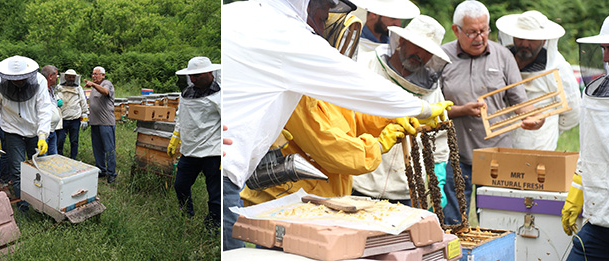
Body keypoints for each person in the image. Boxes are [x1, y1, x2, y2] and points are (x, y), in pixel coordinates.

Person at [221, 0, 452, 250]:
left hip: (320, 199)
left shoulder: (280, 42)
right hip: (288, 200)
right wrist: (387, 137)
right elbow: (331, 147)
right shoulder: (292, 59)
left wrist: (391, 119)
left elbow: (352, 114)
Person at [439, 0, 545, 226]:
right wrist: (461, 111)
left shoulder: (503, 56)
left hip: (496, 154)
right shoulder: (441, 57)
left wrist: (536, 118)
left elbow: (520, 102)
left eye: (483, 31)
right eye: (471, 32)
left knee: (497, 222)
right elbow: (431, 109)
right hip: (454, 154)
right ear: (456, 30)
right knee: (453, 223)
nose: (479, 38)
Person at [351, 15, 452, 208]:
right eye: (417, 47)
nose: (420, 55)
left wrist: (437, 174)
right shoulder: (366, 66)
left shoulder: (432, 90)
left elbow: (440, 137)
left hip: (407, 190)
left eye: (427, 52)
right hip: (360, 181)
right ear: (402, 41)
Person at [563, 13, 609, 261]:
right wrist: (576, 192)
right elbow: (591, 151)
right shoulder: (597, 93)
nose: (606, 57)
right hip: (600, 223)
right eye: (604, 48)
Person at [496, 10, 581, 151]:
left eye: (531, 40)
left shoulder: (557, 67)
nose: (524, 44)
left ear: (544, 40)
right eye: (520, 38)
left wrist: (549, 126)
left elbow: (573, 110)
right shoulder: (501, 59)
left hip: (538, 147)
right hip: (500, 143)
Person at [0, 55, 51, 211]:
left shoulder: (40, 81)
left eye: (21, 79)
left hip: (35, 132)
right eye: (14, 79)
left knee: (38, 169)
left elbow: (44, 109)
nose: (18, 82)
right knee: (17, 170)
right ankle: (23, 204)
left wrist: (43, 135)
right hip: (12, 132)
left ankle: (41, 202)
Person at [169, 57, 222, 232]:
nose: (193, 79)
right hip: (190, 150)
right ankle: (186, 214)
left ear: (209, 73)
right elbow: (180, 116)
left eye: (197, 76)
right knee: (180, 185)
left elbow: (230, 123)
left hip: (213, 151)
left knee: (215, 192)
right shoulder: (186, 93)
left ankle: (213, 225)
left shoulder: (220, 95)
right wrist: (175, 137)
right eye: (191, 76)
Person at [85, 66, 117, 184]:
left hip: (106, 123)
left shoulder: (106, 83)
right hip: (95, 123)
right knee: (97, 148)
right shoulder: (94, 87)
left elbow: (105, 92)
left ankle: (111, 173)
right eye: (93, 74)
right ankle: (101, 170)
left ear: (103, 75)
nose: (94, 76)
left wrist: (93, 85)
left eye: (97, 74)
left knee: (109, 149)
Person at [349, 0, 419, 53]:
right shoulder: (352, 37)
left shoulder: (391, 42)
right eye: (393, 18)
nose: (398, 24)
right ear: (374, 14)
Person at [56, 69, 89, 160]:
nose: (71, 79)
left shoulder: (78, 88)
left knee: (74, 140)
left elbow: (83, 102)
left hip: (75, 119)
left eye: (73, 77)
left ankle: (73, 158)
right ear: (65, 77)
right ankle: (59, 157)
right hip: (62, 119)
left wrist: (85, 117)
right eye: (69, 77)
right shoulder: (58, 88)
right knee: (60, 140)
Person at [41, 65, 62, 156]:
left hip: (52, 130)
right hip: (43, 132)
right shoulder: (40, 90)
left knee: (53, 157)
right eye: (56, 76)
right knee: (43, 159)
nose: (57, 78)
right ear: (50, 76)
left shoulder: (51, 89)